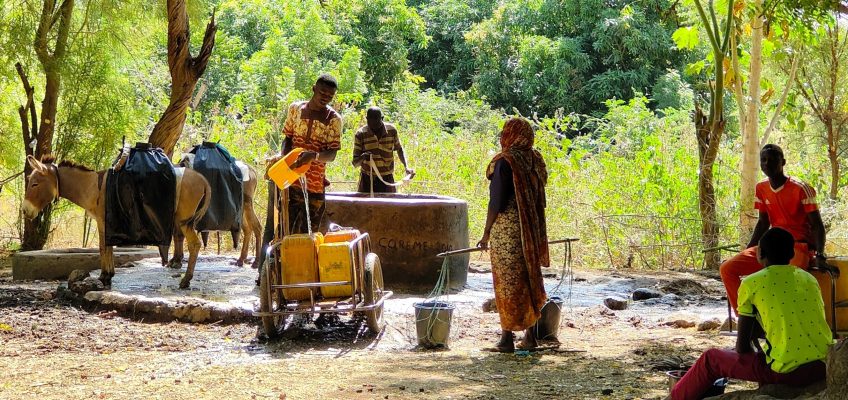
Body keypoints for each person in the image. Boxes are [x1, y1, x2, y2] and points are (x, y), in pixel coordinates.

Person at [671, 227, 831, 400]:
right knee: (769, 353)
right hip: (823, 366)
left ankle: (674, 397)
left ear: (760, 253)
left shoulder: (752, 282)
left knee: (711, 359)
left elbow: (742, 347)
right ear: (792, 253)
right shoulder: (809, 279)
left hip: (788, 372)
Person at [720, 144, 827, 316]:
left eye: (772, 160)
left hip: (797, 247)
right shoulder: (761, 188)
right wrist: (749, 250)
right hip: (770, 246)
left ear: (783, 162)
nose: (767, 163)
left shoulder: (801, 188)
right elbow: (763, 223)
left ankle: (785, 321)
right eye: (763, 160)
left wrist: (820, 255)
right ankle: (748, 317)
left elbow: (817, 225)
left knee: (782, 281)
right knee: (727, 269)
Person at [476, 117, 549, 352]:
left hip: (507, 231)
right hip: (530, 228)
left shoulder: (504, 162)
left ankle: (506, 338)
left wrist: (486, 233)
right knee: (528, 278)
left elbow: (496, 201)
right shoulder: (535, 159)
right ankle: (530, 336)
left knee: (507, 283)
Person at [257, 74, 342, 270]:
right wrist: (285, 159)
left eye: (330, 95)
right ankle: (270, 273)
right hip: (289, 180)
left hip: (314, 183)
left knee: (308, 233)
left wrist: (313, 156)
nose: (325, 97)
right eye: (322, 93)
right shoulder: (295, 108)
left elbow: (331, 154)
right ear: (313, 89)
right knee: (280, 229)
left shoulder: (334, 120)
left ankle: (302, 273)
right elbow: (287, 137)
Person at [351, 106, 414, 193]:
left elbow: (399, 149)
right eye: (370, 120)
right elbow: (355, 163)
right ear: (366, 119)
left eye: (376, 120)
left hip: (387, 178)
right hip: (367, 179)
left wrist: (406, 167)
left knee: (389, 205)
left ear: (382, 118)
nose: (373, 123)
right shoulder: (361, 134)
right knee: (366, 206)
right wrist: (363, 157)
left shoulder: (392, 131)